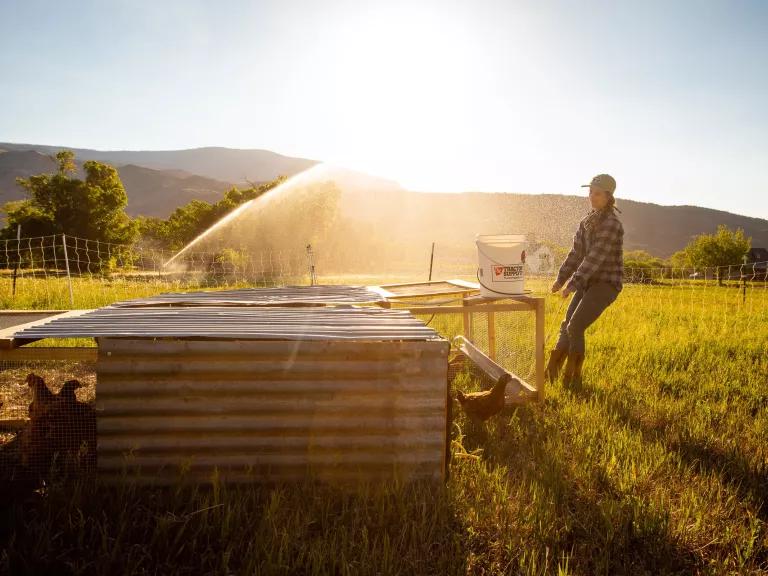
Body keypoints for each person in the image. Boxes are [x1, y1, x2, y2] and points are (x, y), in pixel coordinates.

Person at [546, 174, 624, 387]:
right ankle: (551, 374)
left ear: (608, 196)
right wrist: (560, 279)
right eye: (590, 192)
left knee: (576, 325)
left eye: (597, 193)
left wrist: (573, 284)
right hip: (588, 282)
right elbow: (576, 254)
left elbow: (594, 258)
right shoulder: (586, 222)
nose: (592, 196)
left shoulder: (611, 224)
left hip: (606, 283)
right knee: (566, 325)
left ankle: (573, 379)